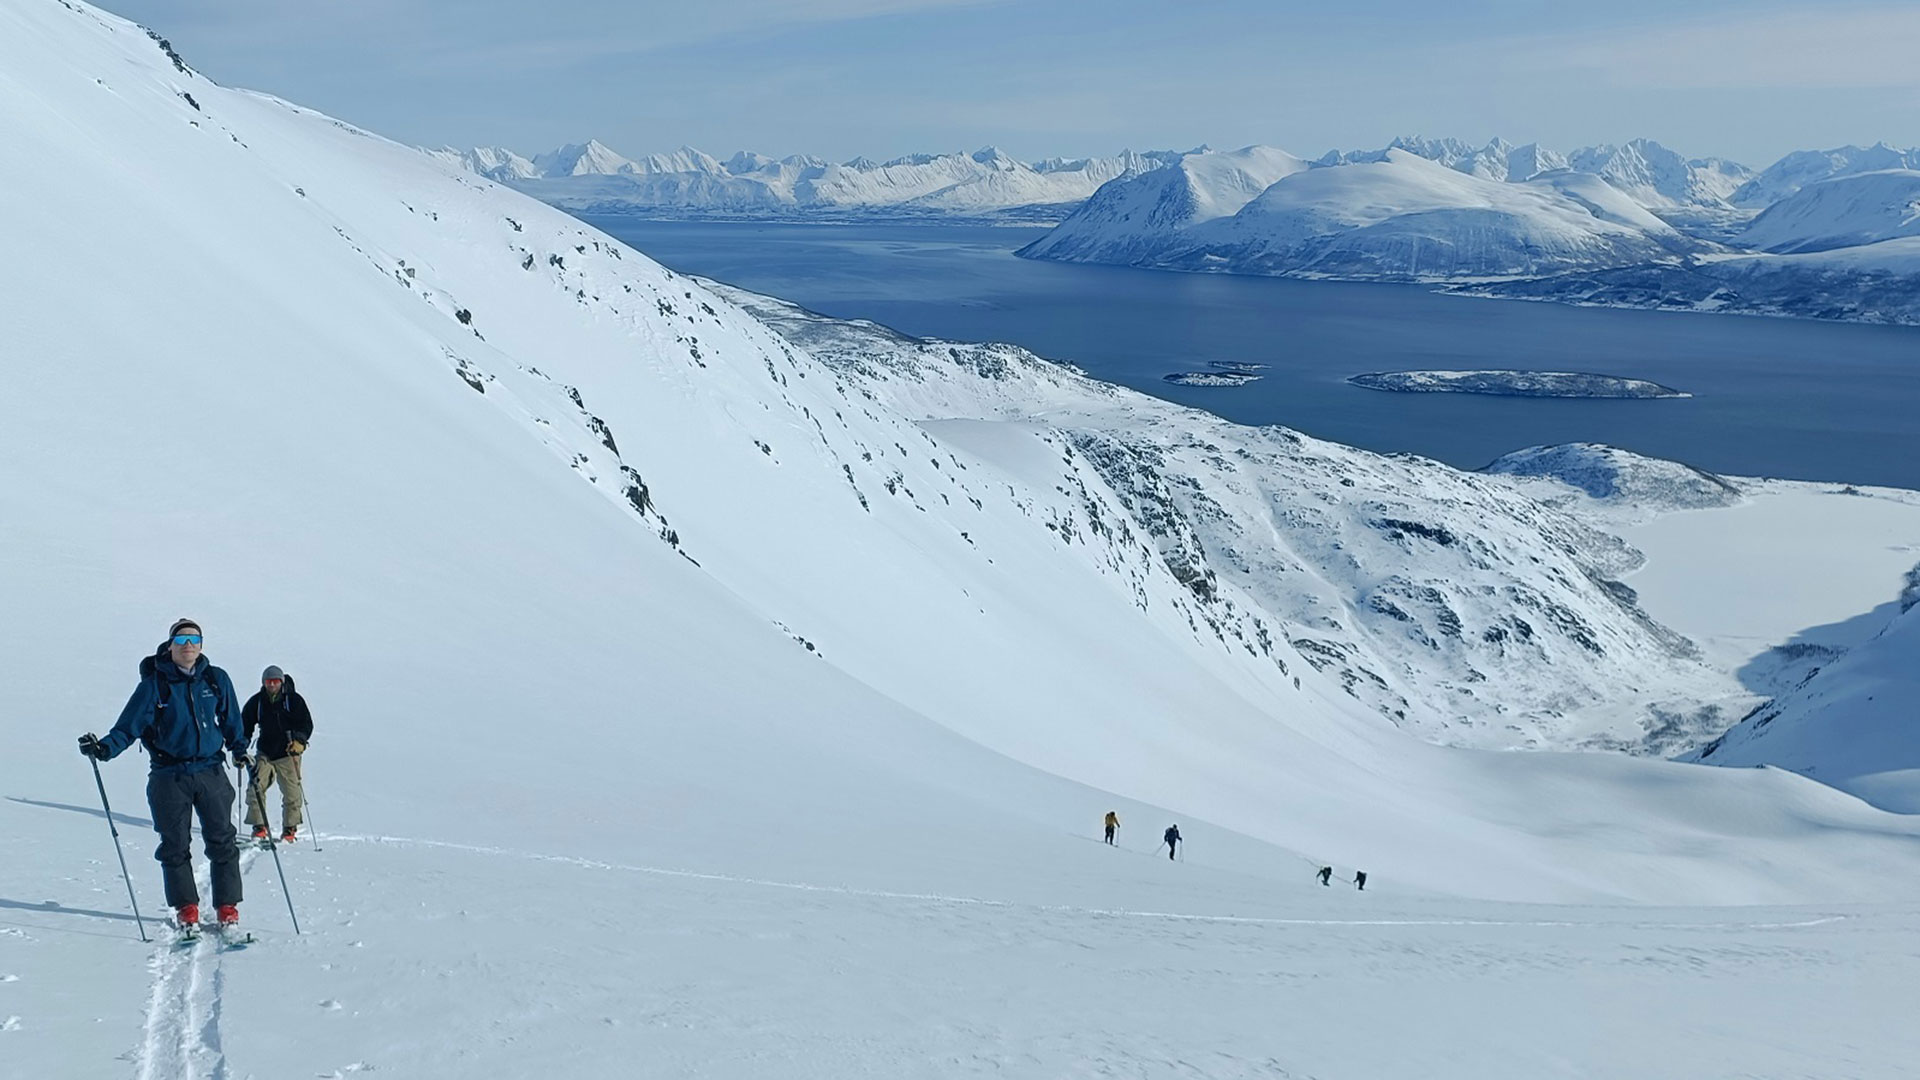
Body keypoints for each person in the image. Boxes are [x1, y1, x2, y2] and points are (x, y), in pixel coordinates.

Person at [78, 619, 246, 930]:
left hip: (210, 770)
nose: (188, 645)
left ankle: (227, 908)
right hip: (169, 775)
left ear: (201, 644)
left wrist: (240, 748)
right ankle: (187, 909)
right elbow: (129, 726)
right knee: (174, 844)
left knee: (222, 839)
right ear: (170, 646)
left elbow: (232, 719)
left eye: (194, 638)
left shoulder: (215, 679)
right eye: (181, 639)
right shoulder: (155, 684)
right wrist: (103, 749)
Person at [242, 665, 312, 843]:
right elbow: (245, 725)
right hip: (265, 751)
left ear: (281, 682)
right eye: (268, 681)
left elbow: (305, 723)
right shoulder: (257, 702)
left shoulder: (293, 700)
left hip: (288, 752)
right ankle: (259, 827)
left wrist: (299, 741)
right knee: (255, 787)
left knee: (292, 792)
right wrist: (240, 748)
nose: (272, 685)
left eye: (275, 681)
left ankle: (290, 829)